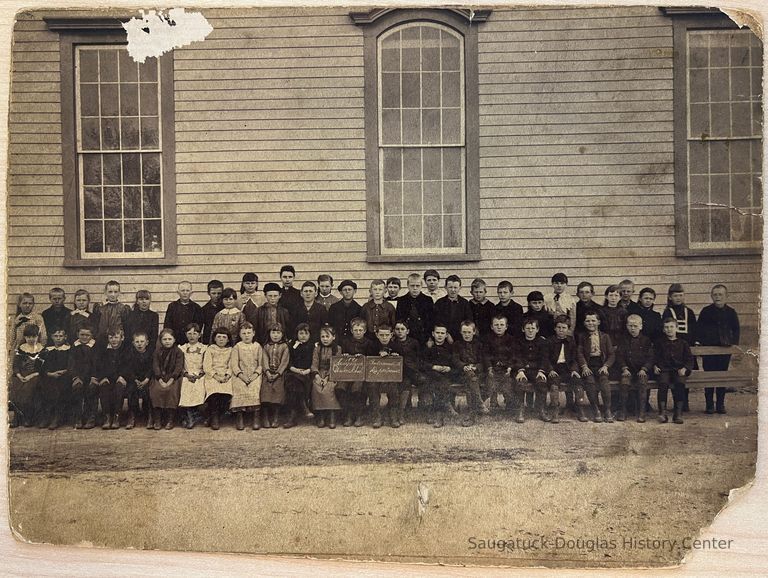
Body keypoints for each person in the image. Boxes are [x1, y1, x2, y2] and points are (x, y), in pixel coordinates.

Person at [698, 284, 740, 414]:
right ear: (711, 296)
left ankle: (720, 404)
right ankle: (709, 405)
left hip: (724, 349)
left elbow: (736, 329)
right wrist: (702, 343)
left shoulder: (731, 312)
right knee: (709, 377)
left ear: (726, 296)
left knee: (722, 376)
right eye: (715, 295)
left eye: (720, 294)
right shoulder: (706, 311)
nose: (718, 297)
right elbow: (699, 329)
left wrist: (733, 345)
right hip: (709, 350)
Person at [663, 283, 698, 412]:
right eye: (675, 296)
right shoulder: (668, 311)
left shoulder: (689, 311)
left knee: (683, 375)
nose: (678, 298)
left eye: (681, 295)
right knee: (673, 375)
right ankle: (677, 401)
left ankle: (684, 401)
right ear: (670, 297)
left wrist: (694, 341)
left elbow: (694, 329)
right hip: (673, 346)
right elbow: (666, 328)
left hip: (685, 347)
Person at [654, 317, 694, 424]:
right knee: (663, 384)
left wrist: (685, 368)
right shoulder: (659, 343)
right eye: (666, 327)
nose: (669, 329)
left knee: (680, 384)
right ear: (663, 330)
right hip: (664, 369)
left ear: (676, 328)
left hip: (678, 369)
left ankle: (678, 413)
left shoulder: (683, 343)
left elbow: (689, 359)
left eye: (671, 327)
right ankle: (662, 412)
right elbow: (654, 356)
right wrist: (655, 366)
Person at [576, 312, 615, 423]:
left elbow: (612, 354)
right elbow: (579, 353)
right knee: (590, 382)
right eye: (588, 321)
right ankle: (596, 409)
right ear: (584, 323)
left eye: (593, 320)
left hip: (601, 364)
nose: (591, 323)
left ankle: (607, 409)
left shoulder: (605, 336)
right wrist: (584, 366)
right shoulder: (582, 336)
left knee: (604, 382)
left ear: (598, 322)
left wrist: (606, 366)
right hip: (588, 365)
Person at [615, 314, 653, 423]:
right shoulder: (623, 340)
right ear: (626, 326)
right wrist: (624, 368)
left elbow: (651, 357)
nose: (632, 328)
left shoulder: (646, 340)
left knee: (642, 383)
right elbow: (619, 356)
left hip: (641, 370)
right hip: (628, 370)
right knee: (625, 382)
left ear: (641, 326)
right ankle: (623, 411)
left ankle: (642, 412)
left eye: (635, 326)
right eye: (630, 326)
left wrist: (644, 369)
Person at [337, 318, 374, 427]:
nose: (358, 332)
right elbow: (340, 359)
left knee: (357, 389)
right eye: (356, 330)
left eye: (360, 330)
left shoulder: (369, 343)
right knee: (340, 388)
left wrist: (363, 358)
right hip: (347, 373)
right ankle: (348, 414)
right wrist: (345, 356)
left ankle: (359, 415)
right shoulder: (346, 342)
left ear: (365, 331)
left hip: (362, 375)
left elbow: (372, 361)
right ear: (351, 331)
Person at [546, 315, 582, 422]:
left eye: (564, 328)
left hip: (567, 369)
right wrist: (550, 370)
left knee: (578, 382)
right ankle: (555, 410)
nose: (561, 330)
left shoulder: (571, 341)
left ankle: (579, 408)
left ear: (568, 329)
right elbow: (545, 358)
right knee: (554, 385)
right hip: (554, 369)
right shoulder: (549, 341)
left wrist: (574, 370)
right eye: (559, 327)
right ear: (555, 328)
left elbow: (574, 359)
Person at [514, 319, 550, 423]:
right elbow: (517, 357)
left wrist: (541, 371)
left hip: (537, 370)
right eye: (528, 328)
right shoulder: (518, 342)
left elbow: (545, 358)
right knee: (520, 383)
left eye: (533, 328)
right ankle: (520, 411)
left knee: (542, 383)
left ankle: (541, 409)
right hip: (523, 370)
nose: (530, 331)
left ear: (537, 329)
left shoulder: (543, 342)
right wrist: (520, 370)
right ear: (523, 329)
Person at [229, 322, 263, 431]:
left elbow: (261, 364)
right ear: (239, 334)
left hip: (254, 374)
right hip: (240, 375)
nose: (246, 335)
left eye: (249, 333)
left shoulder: (257, 346)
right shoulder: (237, 347)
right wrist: (241, 375)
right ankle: (240, 416)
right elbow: (234, 365)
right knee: (239, 387)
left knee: (255, 386)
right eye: (244, 333)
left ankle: (256, 417)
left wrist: (255, 374)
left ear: (253, 333)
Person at [421, 322, 455, 428]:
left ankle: (440, 414)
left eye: (442, 333)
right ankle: (445, 408)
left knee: (441, 384)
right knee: (439, 383)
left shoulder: (451, 348)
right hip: (432, 375)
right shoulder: (428, 348)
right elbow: (421, 363)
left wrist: (449, 368)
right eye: (437, 332)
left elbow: (455, 364)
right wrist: (433, 367)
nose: (440, 335)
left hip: (446, 375)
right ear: (433, 334)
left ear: (446, 335)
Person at [10, 324, 44, 428]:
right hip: (21, 375)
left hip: (35, 375)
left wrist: (30, 376)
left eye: (34, 336)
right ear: (25, 337)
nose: (31, 339)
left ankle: (28, 417)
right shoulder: (21, 349)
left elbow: (42, 368)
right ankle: (17, 417)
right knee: (15, 388)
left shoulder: (41, 349)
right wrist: (19, 376)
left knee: (28, 391)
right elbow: (15, 366)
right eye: (28, 337)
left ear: (38, 337)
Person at [94, 328, 129, 430]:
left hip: (121, 378)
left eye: (116, 337)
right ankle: (107, 416)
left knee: (119, 387)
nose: (114, 340)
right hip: (107, 378)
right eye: (111, 337)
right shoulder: (104, 350)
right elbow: (99, 365)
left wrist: (122, 376)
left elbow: (128, 365)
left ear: (122, 338)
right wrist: (103, 377)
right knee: (104, 386)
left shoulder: (126, 350)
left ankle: (117, 416)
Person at [150, 328, 185, 430]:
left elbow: (178, 367)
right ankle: (157, 419)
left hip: (174, 378)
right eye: (164, 339)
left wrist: (170, 380)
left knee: (171, 391)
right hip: (160, 377)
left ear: (174, 340)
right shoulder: (157, 351)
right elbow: (155, 366)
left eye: (170, 339)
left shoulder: (178, 352)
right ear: (161, 341)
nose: (167, 341)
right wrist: (160, 379)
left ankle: (170, 419)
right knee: (156, 390)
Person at [452, 320, 485, 426]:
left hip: (477, 374)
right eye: (464, 332)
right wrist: (464, 366)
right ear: (461, 332)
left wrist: (475, 367)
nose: (466, 335)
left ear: (474, 332)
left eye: (469, 332)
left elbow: (482, 361)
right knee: (471, 380)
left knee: (471, 382)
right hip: (462, 373)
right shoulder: (457, 344)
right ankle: (478, 406)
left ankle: (472, 414)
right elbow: (455, 359)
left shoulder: (479, 344)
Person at [369, 325, 401, 428]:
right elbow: (367, 361)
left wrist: (395, 357)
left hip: (391, 376)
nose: (384, 337)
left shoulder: (397, 346)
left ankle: (393, 415)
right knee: (372, 386)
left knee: (394, 387)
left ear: (391, 335)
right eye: (381, 335)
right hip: (376, 376)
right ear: (377, 335)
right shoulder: (372, 346)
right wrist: (378, 355)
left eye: (387, 335)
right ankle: (377, 416)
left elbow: (401, 364)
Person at [38, 328, 71, 429]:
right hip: (50, 376)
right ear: (52, 337)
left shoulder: (69, 349)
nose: (58, 338)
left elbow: (72, 364)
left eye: (61, 336)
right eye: (56, 336)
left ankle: (56, 417)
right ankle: (46, 416)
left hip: (64, 376)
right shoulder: (47, 350)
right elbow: (40, 366)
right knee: (43, 387)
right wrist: (49, 374)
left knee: (59, 388)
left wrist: (64, 371)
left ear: (65, 337)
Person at [311, 325, 342, 428]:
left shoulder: (337, 349)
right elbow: (314, 364)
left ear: (333, 337)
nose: (324, 339)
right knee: (317, 387)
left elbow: (336, 364)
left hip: (332, 373)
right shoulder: (317, 349)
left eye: (327, 336)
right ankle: (320, 415)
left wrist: (327, 377)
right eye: (322, 336)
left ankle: (332, 415)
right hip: (319, 373)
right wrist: (317, 376)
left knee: (329, 387)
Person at [283, 323, 314, 428]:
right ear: (297, 334)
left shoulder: (313, 346)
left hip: (308, 373)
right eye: (301, 333)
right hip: (293, 372)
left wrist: (308, 370)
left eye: (306, 333)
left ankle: (293, 417)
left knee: (296, 385)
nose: (303, 336)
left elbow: (314, 362)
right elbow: (289, 361)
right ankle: (304, 407)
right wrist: (295, 370)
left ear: (310, 335)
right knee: (293, 383)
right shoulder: (292, 345)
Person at [202, 328, 234, 430]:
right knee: (214, 391)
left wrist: (227, 376)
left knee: (227, 392)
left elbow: (231, 365)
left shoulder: (231, 350)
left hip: (226, 376)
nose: (221, 339)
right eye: (219, 337)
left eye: (224, 337)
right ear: (214, 338)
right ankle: (214, 417)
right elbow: (207, 366)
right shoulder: (210, 349)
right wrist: (215, 376)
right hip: (212, 376)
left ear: (228, 339)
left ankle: (212, 416)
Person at [391, 320, 422, 423]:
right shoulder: (392, 343)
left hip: (410, 371)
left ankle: (401, 412)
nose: (400, 331)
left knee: (406, 383)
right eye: (397, 329)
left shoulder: (414, 342)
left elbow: (418, 358)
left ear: (407, 331)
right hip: (396, 372)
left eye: (402, 329)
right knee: (396, 385)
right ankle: (395, 411)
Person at [483, 314, 516, 411]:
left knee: (508, 383)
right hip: (492, 368)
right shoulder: (487, 339)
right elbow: (485, 355)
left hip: (507, 368)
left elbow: (513, 355)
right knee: (490, 380)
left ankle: (509, 402)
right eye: (496, 325)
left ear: (506, 327)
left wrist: (509, 367)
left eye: (502, 325)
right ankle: (493, 402)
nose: (499, 327)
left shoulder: (511, 339)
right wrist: (489, 367)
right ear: (492, 327)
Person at [68, 325, 98, 429]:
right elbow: (71, 364)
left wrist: (94, 377)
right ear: (77, 335)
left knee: (92, 388)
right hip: (78, 376)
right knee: (77, 388)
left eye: (87, 335)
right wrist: (75, 377)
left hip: (92, 376)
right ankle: (77, 417)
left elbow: (97, 363)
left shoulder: (95, 346)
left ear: (91, 335)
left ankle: (91, 417)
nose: (84, 337)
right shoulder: (74, 346)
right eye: (82, 335)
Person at [178, 323, 207, 429]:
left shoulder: (204, 348)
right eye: (189, 333)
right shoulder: (182, 348)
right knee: (186, 385)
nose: (192, 336)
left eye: (195, 333)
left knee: (201, 385)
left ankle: (196, 414)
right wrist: (186, 374)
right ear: (185, 335)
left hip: (200, 374)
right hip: (186, 375)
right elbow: (179, 365)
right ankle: (190, 416)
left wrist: (200, 374)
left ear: (199, 335)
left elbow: (206, 364)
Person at [260, 323, 290, 428]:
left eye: (278, 333)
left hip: (279, 374)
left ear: (282, 334)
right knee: (265, 390)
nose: (275, 335)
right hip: (267, 373)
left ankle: (276, 417)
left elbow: (284, 361)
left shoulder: (285, 346)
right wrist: (267, 372)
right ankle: (265, 417)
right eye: (273, 332)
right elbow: (264, 360)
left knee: (278, 391)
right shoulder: (266, 346)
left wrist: (278, 373)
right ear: (269, 334)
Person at [124, 331, 153, 429]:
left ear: (147, 342)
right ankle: (132, 415)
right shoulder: (130, 354)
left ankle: (150, 415)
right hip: (134, 380)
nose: (140, 344)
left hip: (147, 380)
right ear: (133, 343)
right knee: (131, 390)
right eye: (137, 342)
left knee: (149, 390)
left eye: (142, 341)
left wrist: (146, 379)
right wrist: (135, 379)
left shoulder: (150, 354)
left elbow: (151, 368)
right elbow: (129, 369)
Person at [395, 273, 434, 345]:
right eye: (412, 286)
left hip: (423, 337)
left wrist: (430, 338)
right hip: (406, 338)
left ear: (421, 286)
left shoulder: (428, 300)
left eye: (417, 286)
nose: (415, 288)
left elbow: (431, 321)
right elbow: (399, 319)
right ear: (408, 286)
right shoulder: (402, 300)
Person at [433, 275, 473, 344]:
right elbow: (436, 321)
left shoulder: (464, 303)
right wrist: (447, 334)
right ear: (445, 287)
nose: (453, 290)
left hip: (461, 338)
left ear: (460, 288)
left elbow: (468, 321)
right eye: (450, 287)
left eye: (455, 287)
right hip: (443, 338)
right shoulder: (439, 303)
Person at [163, 281, 204, 346]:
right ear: (178, 292)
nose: (185, 293)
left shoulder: (196, 308)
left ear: (191, 292)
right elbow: (167, 325)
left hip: (190, 342)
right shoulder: (172, 306)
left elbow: (198, 326)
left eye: (187, 290)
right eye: (183, 290)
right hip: (175, 341)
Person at [93, 280, 130, 347]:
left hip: (116, 339)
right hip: (102, 339)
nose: (113, 294)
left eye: (115, 292)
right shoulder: (100, 308)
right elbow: (95, 324)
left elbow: (126, 326)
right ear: (105, 292)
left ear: (119, 293)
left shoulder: (123, 308)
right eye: (110, 292)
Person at [278, 265, 303, 331]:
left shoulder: (299, 294)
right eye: (285, 277)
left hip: (295, 327)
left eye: (290, 277)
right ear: (280, 277)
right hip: (280, 327)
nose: (287, 279)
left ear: (294, 277)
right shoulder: (277, 294)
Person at [200, 280, 224, 345]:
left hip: (224, 340)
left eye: (219, 293)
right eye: (213, 293)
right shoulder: (203, 310)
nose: (216, 296)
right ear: (208, 293)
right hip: (209, 340)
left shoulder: (225, 308)